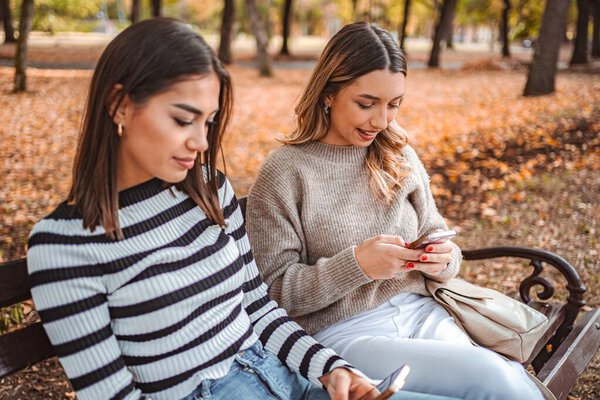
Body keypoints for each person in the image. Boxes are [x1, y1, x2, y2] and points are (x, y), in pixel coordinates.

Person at [26, 18, 457, 400]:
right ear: (120, 104)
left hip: (292, 379)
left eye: (208, 122)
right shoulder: (65, 246)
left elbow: (260, 308)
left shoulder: (209, 190)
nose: (200, 142)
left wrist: (333, 369)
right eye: (182, 119)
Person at [246, 22, 544, 400]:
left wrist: (441, 258)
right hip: (344, 333)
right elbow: (272, 294)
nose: (381, 121)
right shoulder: (286, 171)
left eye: (393, 104)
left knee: (509, 378)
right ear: (328, 94)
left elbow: (439, 236)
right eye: (366, 104)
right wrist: (356, 266)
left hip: (423, 312)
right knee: (492, 378)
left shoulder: (397, 153)